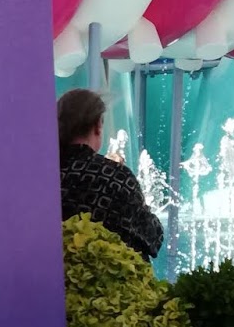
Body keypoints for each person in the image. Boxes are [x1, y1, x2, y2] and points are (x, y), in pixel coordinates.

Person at [58, 88, 164, 261]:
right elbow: (152, 238)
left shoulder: (43, 176)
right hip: (110, 275)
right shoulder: (115, 176)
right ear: (97, 126)